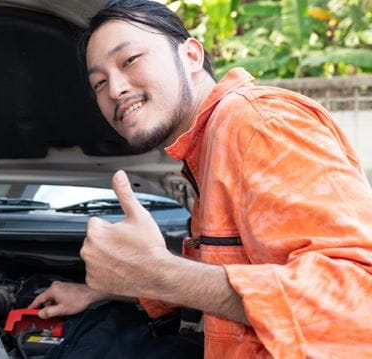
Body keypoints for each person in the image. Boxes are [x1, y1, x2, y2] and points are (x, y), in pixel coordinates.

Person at [29, 0, 372, 357]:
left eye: (130, 60)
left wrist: (157, 273)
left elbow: (359, 301)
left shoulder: (258, 123)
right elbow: (227, 273)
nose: (114, 89)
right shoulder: (208, 148)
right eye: (99, 82)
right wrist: (104, 290)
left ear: (191, 55)